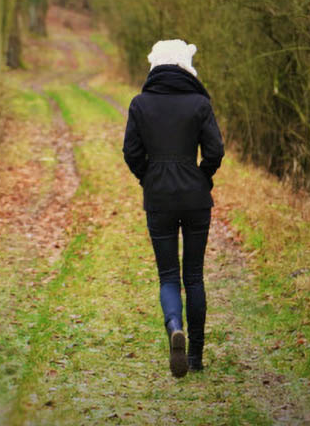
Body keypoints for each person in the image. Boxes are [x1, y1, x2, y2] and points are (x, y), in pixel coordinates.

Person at [122, 39, 224, 378]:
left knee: (168, 276)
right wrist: (202, 177)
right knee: (193, 276)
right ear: (184, 65)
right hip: (196, 198)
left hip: (159, 198)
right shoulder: (200, 103)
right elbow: (215, 151)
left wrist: (148, 178)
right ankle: (194, 357)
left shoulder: (140, 104)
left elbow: (131, 152)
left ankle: (174, 328)